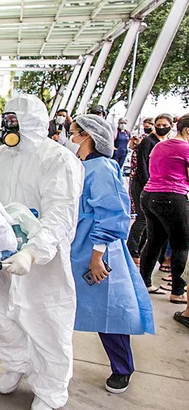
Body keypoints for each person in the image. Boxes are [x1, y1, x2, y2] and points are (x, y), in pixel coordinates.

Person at [0, 97, 84, 410]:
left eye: (14, 119)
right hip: (5, 255)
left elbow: (60, 215)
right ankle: (17, 365)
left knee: (46, 324)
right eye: (6, 118)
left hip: (43, 262)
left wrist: (33, 251)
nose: (8, 126)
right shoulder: (2, 158)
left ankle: (48, 391)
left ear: (30, 122)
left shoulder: (58, 160)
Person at [67, 115, 154, 393]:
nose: (70, 137)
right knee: (63, 305)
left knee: (109, 312)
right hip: (76, 245)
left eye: (73, 132)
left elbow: (112, 213)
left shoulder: (101, 167)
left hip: (96, 249)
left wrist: (97, 256)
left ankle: (122, 368)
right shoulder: (82, 166)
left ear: (87, 136)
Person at [139, 113, 189, 305]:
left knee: (154, 241)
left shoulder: (160, 145)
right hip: (172, 197)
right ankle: (177, 290)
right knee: (181, 245)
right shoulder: (185, 148)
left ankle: (144, 282)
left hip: (150, 195)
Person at [126, 114, 173, 265]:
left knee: (151, 220)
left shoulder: (167, 143)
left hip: (158, 186)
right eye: (158, 125)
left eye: (164, 125)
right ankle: (132, 250)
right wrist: (149, 185)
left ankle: (140, 250)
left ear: (170, 126)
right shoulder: (148, 141)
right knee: (142, 218)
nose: (161, 128)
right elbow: (142, 166)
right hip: (143, 185)